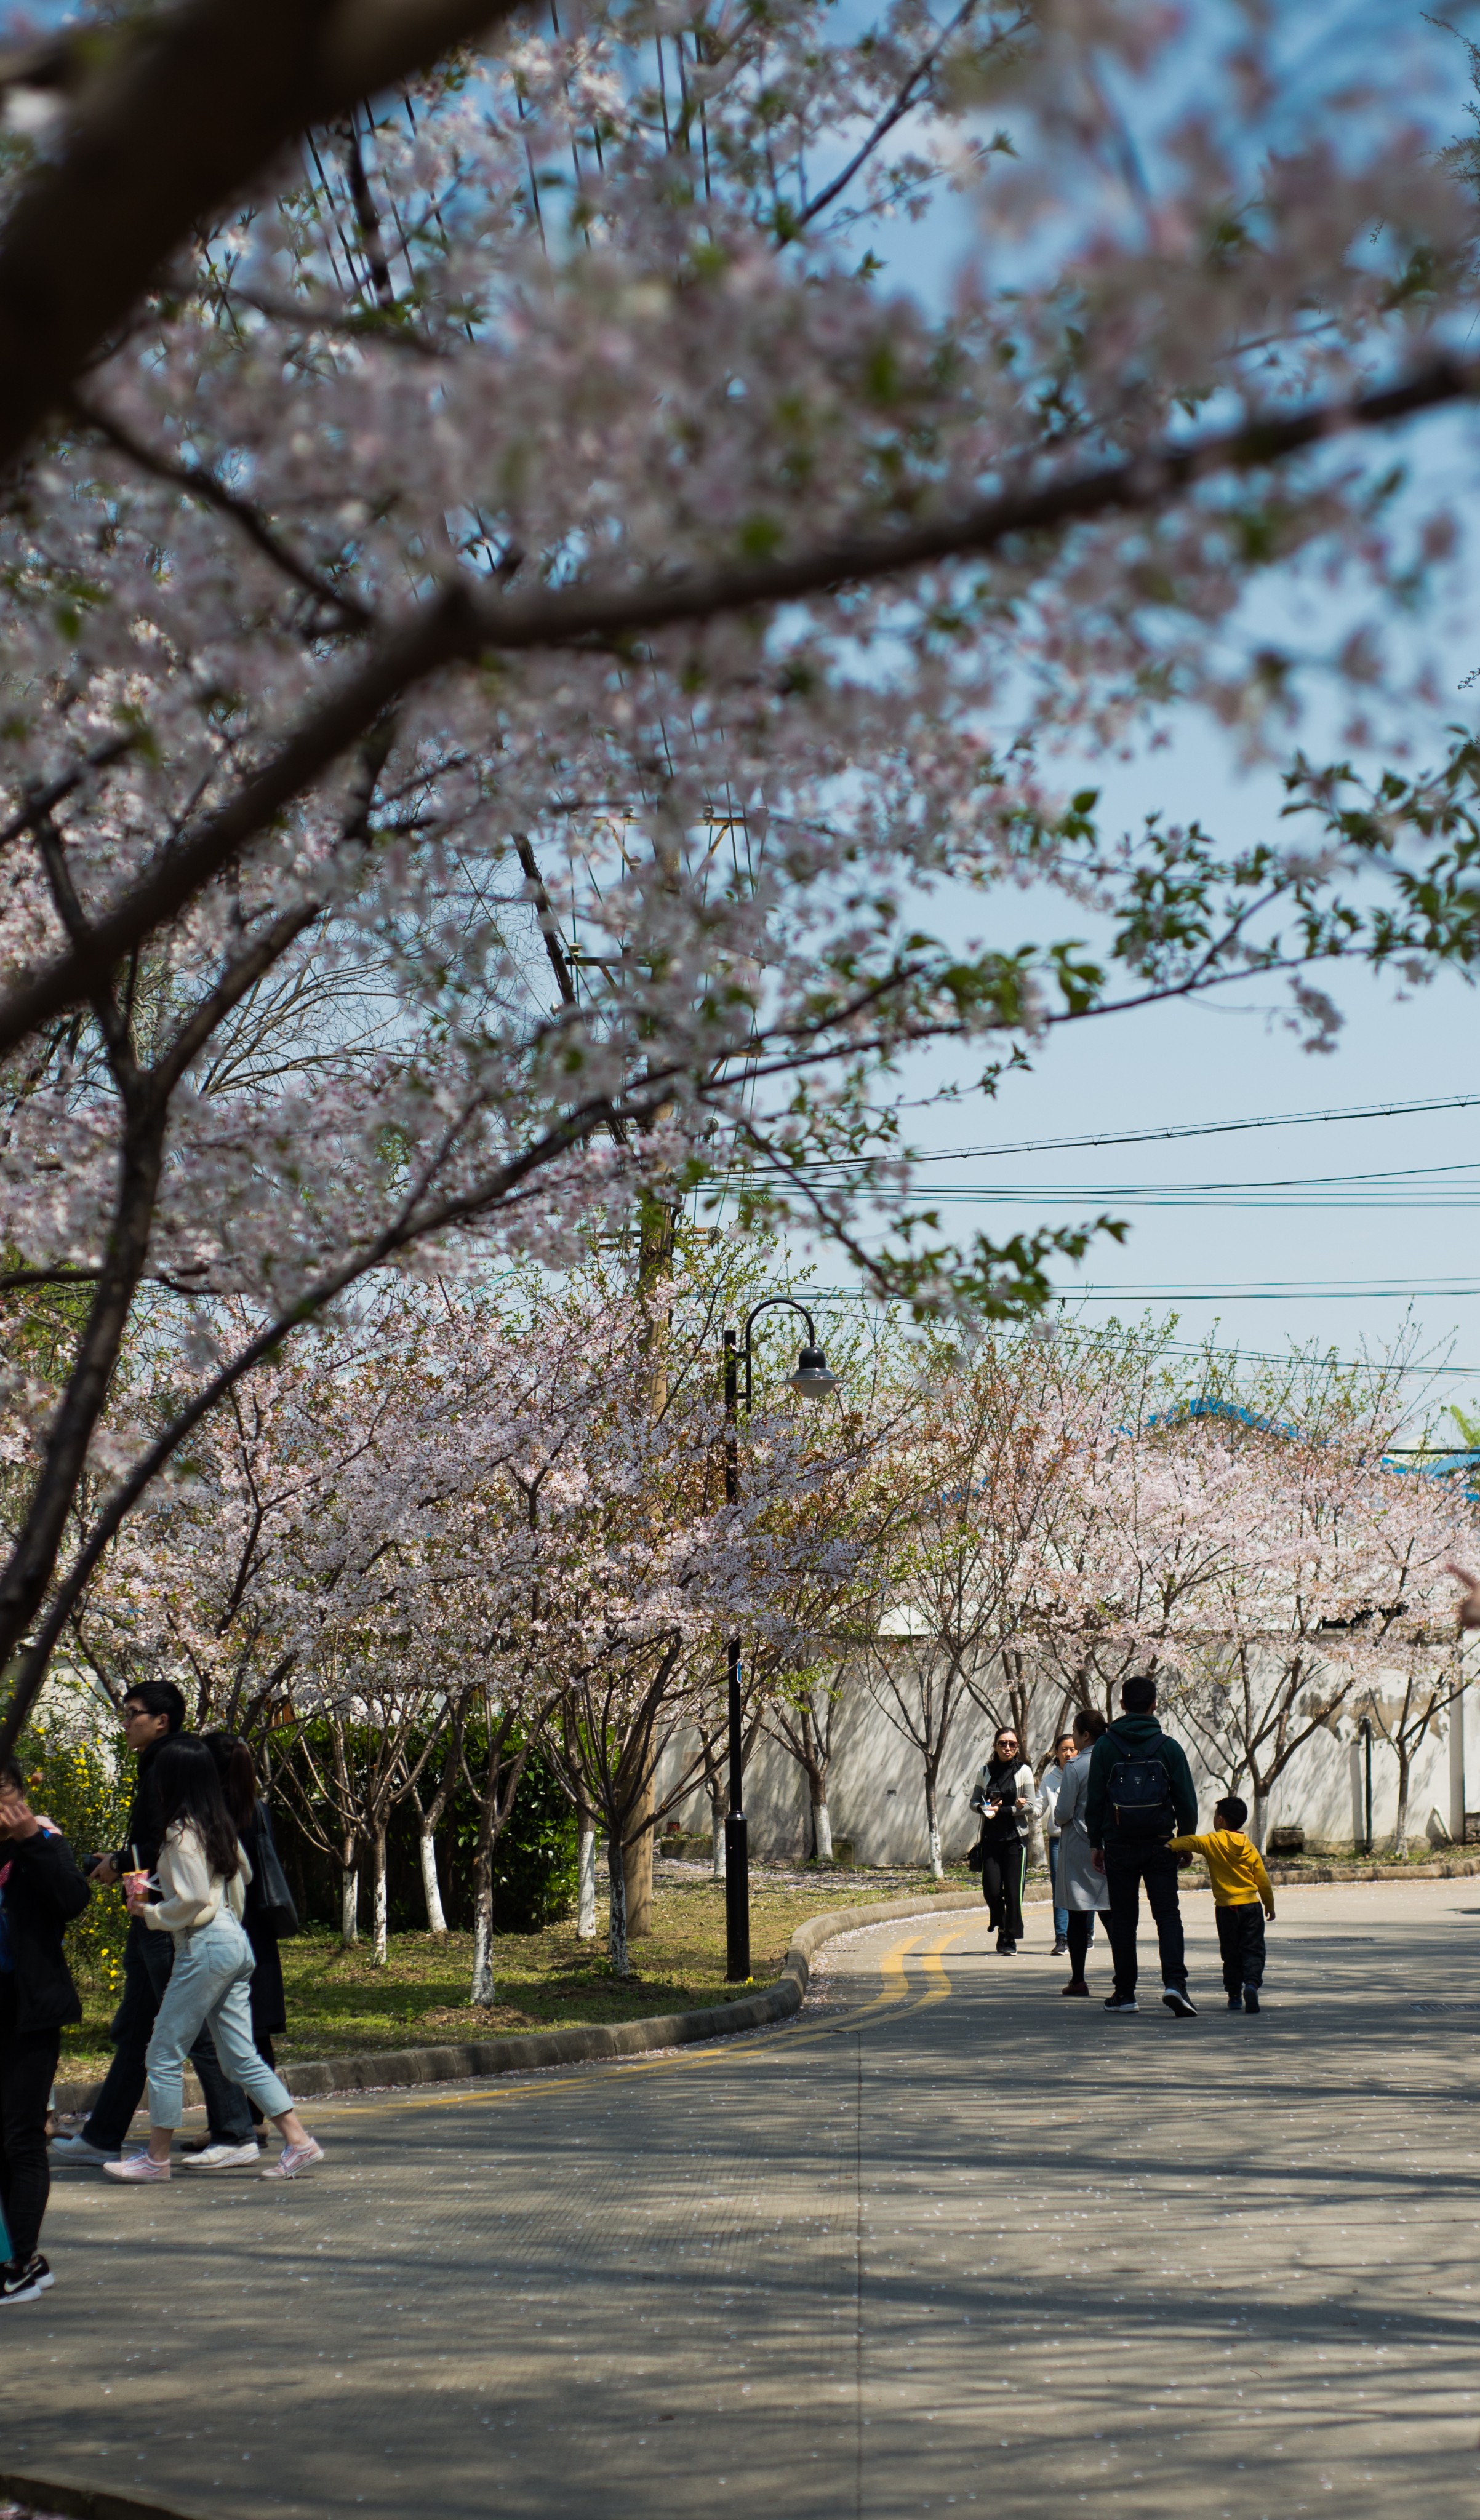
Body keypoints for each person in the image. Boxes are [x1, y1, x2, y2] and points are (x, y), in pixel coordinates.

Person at [52, 1683, 258, 2167]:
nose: (125, 1723)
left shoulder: (172, 1761)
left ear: (161, 1720)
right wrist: (122, 1861)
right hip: (151, 1914)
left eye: (133, 1714)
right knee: (136, 2027)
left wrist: (120, 1862)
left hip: (170, 1920)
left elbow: (171, 1839)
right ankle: (103, 2136)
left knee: (192, 2028)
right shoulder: (165, 1758)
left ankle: (236, 2134)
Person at [102, 1739, 322, 2183]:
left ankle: (156, 2159)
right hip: (233, 1942)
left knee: (163, 2051)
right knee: (239, 2057)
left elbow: (195, 1899)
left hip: (204, 1945)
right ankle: (299, 2143)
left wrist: (151, 1913)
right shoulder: (215, 1823)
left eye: (159, 1774)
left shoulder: (180, 1831)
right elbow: (242, 1876)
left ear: (172, 1780)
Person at [0, 1755, 91, 2303]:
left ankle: (22, 2261)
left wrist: (31, 1840)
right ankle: (16, 2253)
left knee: (21, 2134)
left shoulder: (44, 1844)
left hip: (29, 2010)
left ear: (20, 1793)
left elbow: (72, 1900)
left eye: (3, 1792)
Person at [1085, 1672, 1199, 2019]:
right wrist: (1185, 1840)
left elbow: (1095, 1799)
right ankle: (1175, 1984)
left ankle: (1125, 1993)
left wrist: (1096, 1842)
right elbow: (1186, 1800)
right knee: (1167, 1915)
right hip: (1161, 1844)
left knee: (1124, 1919)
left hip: (1119, 1844)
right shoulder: (1169, 1747)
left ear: (1122, 1704)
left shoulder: (1106, 1746)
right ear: (1154, 1705)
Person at [198, 1731, 287, 2135]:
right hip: (259, 1928)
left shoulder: (210, 1815)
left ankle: (233, 2123)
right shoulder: (257, 1809)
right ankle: (255, 2119)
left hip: (226, 1925)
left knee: (224, 2030)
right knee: (256, 2030)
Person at [1168, 1793, 1275, 2014]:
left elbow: (1191, 1842)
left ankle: (1234, 1995)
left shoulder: (1213, 1841)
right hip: (1251, 1906)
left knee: (1230, 1952)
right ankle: (1252, 1984)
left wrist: (1171, 1845)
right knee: (1253, 1949)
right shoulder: (1249, 1847)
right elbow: (1262, 1880)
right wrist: (1269, 1905)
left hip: (1226, 1908)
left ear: (1220, 1820)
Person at [1051, 1709, 1109, 1995]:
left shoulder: (1076, 1767)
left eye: (1075, 1731)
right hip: (1111, 1844)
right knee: (1112, 1912)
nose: (1073, 1737)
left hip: (1078, 1844)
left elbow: (1063, 1811)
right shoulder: (1115, 1760)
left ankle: (1078, 1979)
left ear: (1086, 1735)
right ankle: (1125, 1977)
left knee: (1077, 1914)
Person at [970, 1725, 1035, 1954]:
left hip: (1015, 1840)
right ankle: (1001, 1923)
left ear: (1017, 1747)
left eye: (1012, 1744)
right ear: (995, 1746)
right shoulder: (984, 1772)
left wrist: (1007, 1810)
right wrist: (984, 1808)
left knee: (1014, 1892)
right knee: (992, 1891)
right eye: (1003, 1744)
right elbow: (974, 1802)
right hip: (991, 1839)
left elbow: (1031, 1806)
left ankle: (1009, 1936)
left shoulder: (1024, 1771)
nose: (1008, 1748)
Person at [1038, 1729, 1078, 1956]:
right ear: (1056, 1752)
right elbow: (1039, 1807)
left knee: (1084, 1887)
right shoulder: (1050, 1780)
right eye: (1064, 1750)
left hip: (1081, 1838)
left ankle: (1086, 1933)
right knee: (1060, 1890)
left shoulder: (1086, 1772)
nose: (1068, 1754)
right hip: (1057, 1841)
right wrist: (1023, 1806)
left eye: (1073, 1749)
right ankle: (1062, 1937)